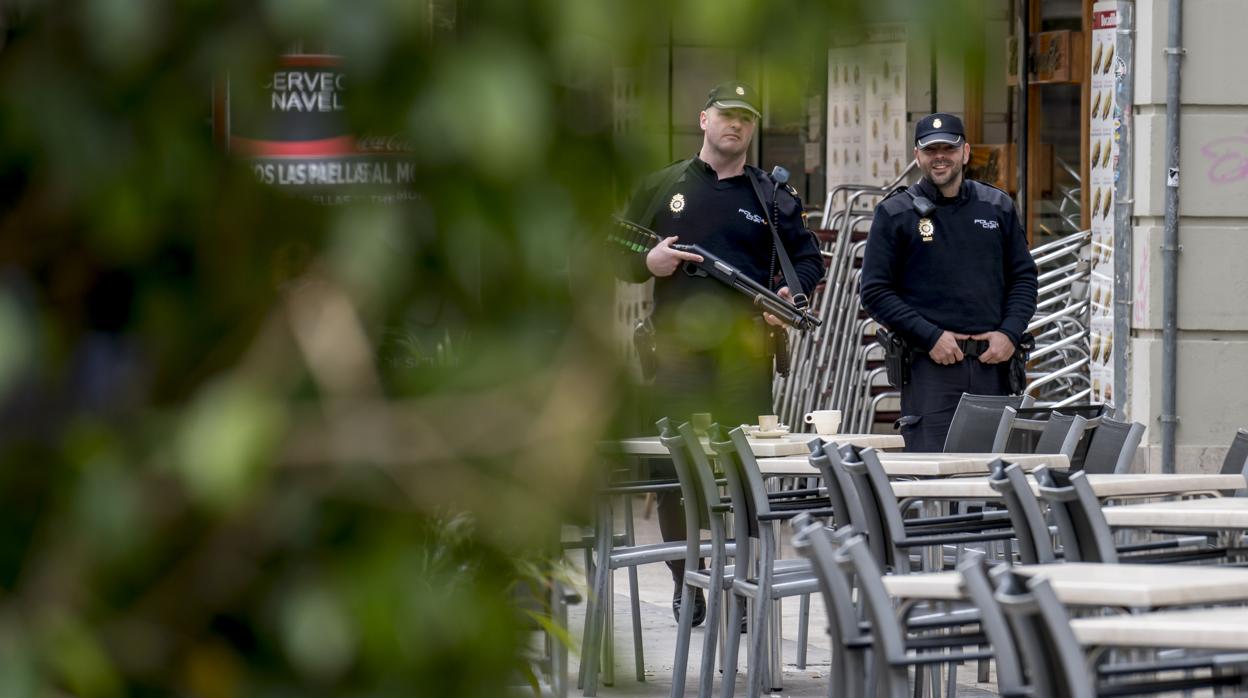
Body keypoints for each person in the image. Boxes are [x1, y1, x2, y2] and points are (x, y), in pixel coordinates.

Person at [618, 81, 824, 624]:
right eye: (726, 115)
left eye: (746, 118)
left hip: (745, 356)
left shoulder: (773, 197)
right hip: (676, 356)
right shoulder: (663, 185)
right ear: (703, 119)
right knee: (675, 473)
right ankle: (687, 580)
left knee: (743, 471)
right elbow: (612, 246)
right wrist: (649, 262)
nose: (736, 125)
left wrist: (788, 297)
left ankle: (744, 583)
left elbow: (808, 262)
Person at [860, 112, 1038, 452]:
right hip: (932, 368)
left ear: (965, 152)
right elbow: (875, 291)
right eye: (930, 150)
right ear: (917, 156)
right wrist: (930, 337)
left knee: (993, 476)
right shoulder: (896, 213)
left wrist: (1010, 333)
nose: (939, 157)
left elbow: (1023, 278)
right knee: (933, 477)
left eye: (949, 148)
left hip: (994, 366)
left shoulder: (997, 206)